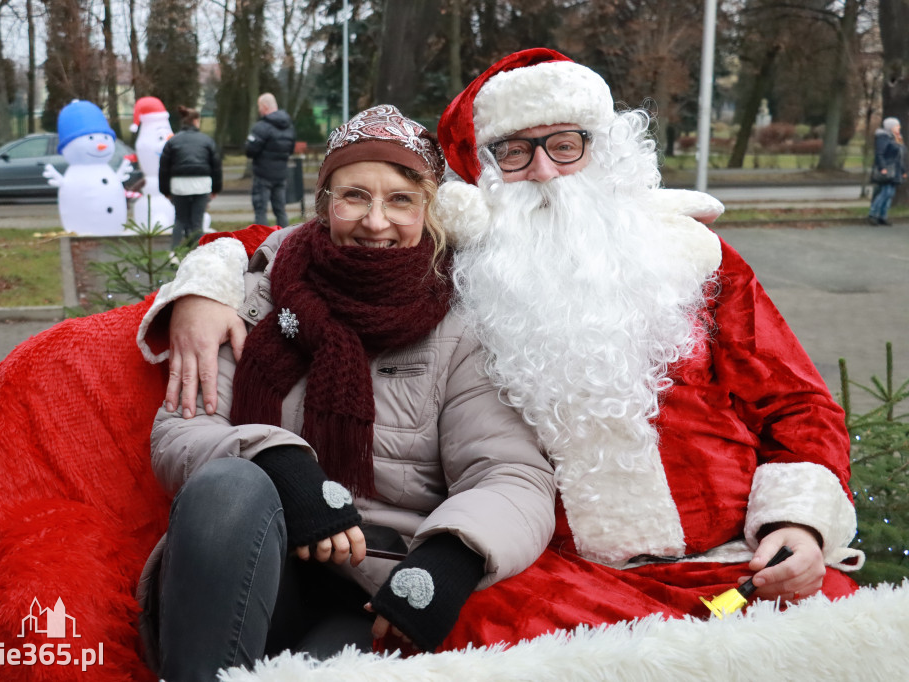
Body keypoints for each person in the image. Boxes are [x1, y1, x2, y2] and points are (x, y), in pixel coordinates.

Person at [139, 49, 862, 652]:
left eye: (564, 145)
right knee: (489, 638)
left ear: (603, 152)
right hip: (559, 576)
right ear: (478, 180)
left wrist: (797, 522)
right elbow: (273, 255)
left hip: (728, 560)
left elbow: (796, 401)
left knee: (800, 621)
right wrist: (204, 284)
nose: (544, 171)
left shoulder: (696, 261)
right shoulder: (475, 272)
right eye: (515, 152)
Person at [138, 104, 556, 681]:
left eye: (401, 200)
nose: (376, 222)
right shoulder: (254, 301)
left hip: (374, 586)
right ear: (324, 204)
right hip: (250, 559)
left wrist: (452, 557)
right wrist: (283, 465)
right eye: (355, 195)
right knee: (229, 483)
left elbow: (510, 473)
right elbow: (182, 430)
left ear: (431, 210)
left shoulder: (462, 323)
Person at [159, 105, 222, 249]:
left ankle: (174, 254)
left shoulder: (172, 142)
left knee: (180, 220)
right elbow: (216, 167)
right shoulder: (207, 141)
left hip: (178, 186)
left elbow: (164, 169)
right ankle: (197, 254)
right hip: (202, 185)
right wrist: (215, 189)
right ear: (195, 121)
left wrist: (165, 191)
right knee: (197, 223)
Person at [246, 93, 296, 227]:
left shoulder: (261, 127)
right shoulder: (289, 127)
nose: (259, 110)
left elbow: (250, 150)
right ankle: (285, 241)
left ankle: (262, 242)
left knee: (260, 210)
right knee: (280, 210)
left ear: (264, 106)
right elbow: (290, 149)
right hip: (281, 175)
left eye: (259, 107)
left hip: (263, 175)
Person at [868, 116, 907, 226]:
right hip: (888, 169)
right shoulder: (883, 137)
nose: (899, 127)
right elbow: (879, 154)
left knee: (890, 194)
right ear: (890, 127)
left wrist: (903, 170)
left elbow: (900, 156)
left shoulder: (897, 138)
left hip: (895, 169)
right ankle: (873, 214)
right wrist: (882, 168)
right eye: (896, 126)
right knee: (886, 193)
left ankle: (882, 216)